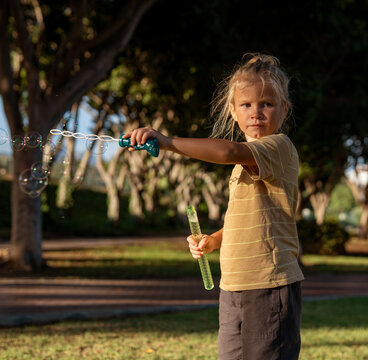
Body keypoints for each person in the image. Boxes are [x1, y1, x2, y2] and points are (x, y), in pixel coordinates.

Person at [122, 53, 304, 359]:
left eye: (267, 104)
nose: (256, 112)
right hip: (232, 285)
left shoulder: (278, 146)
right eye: (246, 105)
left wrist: (167, 142)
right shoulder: (241, 166)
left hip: (269, 285)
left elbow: (230, 149)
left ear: (284, 109)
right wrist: (214, 240)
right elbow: (246, 219)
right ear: (233, 111)